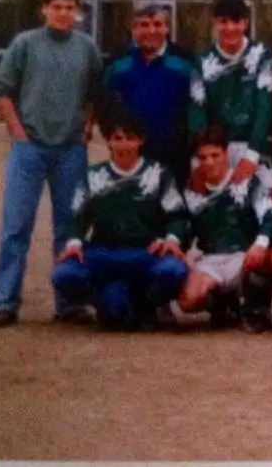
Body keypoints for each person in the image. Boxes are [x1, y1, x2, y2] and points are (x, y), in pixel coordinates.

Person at [0, 0, 103, 327]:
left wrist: (86, 128)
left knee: (69, 226)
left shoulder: (86, 48)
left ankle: (69, 301)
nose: (63, 13)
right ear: (44, 9)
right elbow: (1, 90)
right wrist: (17, 131)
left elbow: (95, 92)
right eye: (57, 7)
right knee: (16, 225)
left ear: (77, 12)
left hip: (70, 149)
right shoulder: (25, 44)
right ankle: (4, 299)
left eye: (70, 8)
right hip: (31, 147)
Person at [51, 111, 188, 331]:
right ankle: (103, 299)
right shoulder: (93, 177)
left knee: (174, 270)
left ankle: (149, 303)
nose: (123, 145)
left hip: (146, 252)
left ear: (141, 141)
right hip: (106, 254)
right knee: (63, 274)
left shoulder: (158, 174)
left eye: (130, 138)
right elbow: (77, 218)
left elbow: (178, 215)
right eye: (117, 138)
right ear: (108, 141)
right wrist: (74, 243)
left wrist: (171, 239)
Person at [177, 125, 272, 333]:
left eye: (215, 155)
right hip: (212, 259)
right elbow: (183, 227)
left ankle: (257, 309)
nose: (209, 162)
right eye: (203, 157)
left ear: (226, 153)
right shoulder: (192, 191)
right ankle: (224, 304)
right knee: (188, 301)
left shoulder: (247, 183)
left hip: (246, 256)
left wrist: (260, 244)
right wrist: (179, 249)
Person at [188, 0, 272, 190]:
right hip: (216, 150)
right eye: (223, 22)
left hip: (256, 146)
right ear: (215, 23)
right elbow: (197, 109)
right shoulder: (202, 60)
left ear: (245, 23)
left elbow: (265, 107)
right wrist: (199, 158)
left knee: (264, 202)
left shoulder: (262, 55)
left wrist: (252, 156)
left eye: (236, 21)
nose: (230, 28)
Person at [102, 3, 194, 188]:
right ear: (133, 29)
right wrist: (114, 138)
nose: (151, 30)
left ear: (167, 28)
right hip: (131, 153)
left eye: (158, 24)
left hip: (175, 154)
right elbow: (104, 103)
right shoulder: (117, 61)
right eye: (144, 25)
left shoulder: (186, 61)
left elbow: (197, 105)